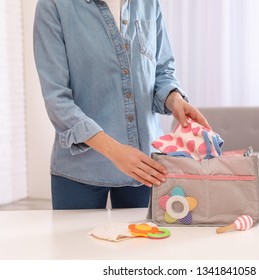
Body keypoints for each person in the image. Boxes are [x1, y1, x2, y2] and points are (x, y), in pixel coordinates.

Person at [33, 0, 210, 210]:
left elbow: (162, 70)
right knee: (74, 242)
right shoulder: (54, 5)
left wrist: (175, 99)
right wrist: (115, 151)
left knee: (145, 242)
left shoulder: (148, 3)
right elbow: (57, 99)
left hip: (145, 166)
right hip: (80, 170)